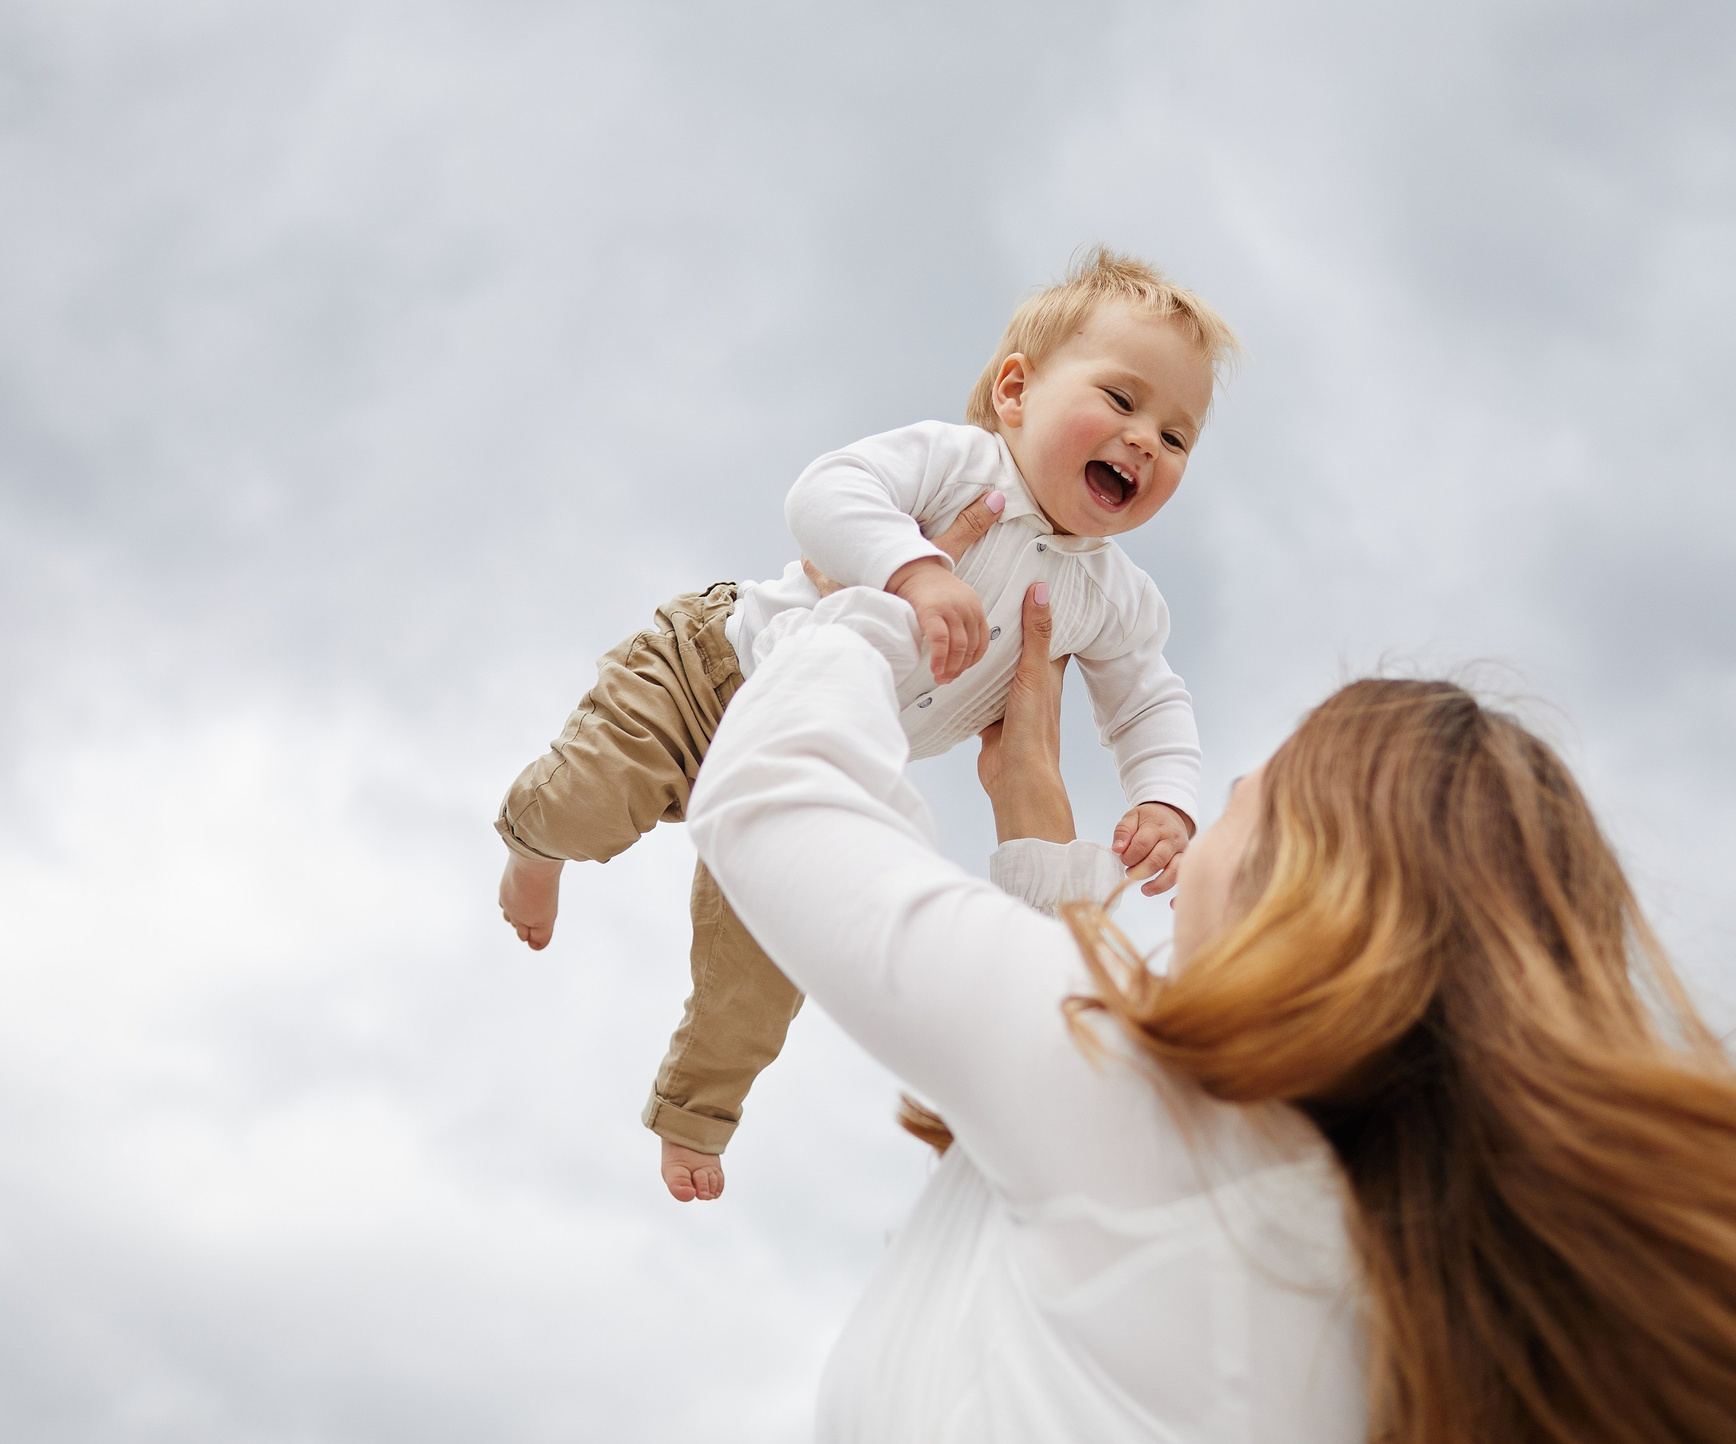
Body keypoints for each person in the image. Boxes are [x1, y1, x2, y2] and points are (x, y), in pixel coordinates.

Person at [689, 578, 1736, 1444]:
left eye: (1247, 789)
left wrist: (854, 617)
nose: (1208, 815)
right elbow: (1040, 1161)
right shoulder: (1371, 1270)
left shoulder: (1140, 1124)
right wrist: (1037, 828)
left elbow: (774, 808)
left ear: (1309, 865)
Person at [489, 249, 1235, 1200]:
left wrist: (1164, 800)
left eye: (1177, 437)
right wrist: (915, 569)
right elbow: (824, 494)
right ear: (1016, 390)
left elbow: (1149, 700)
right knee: (587, 801)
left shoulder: (1110, 596)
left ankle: (694, 1114)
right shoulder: (962, 465)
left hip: (830, 761)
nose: (1144, 442)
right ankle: (534, 848)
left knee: (769, 966)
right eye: (1122, 401)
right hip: (716, 674)